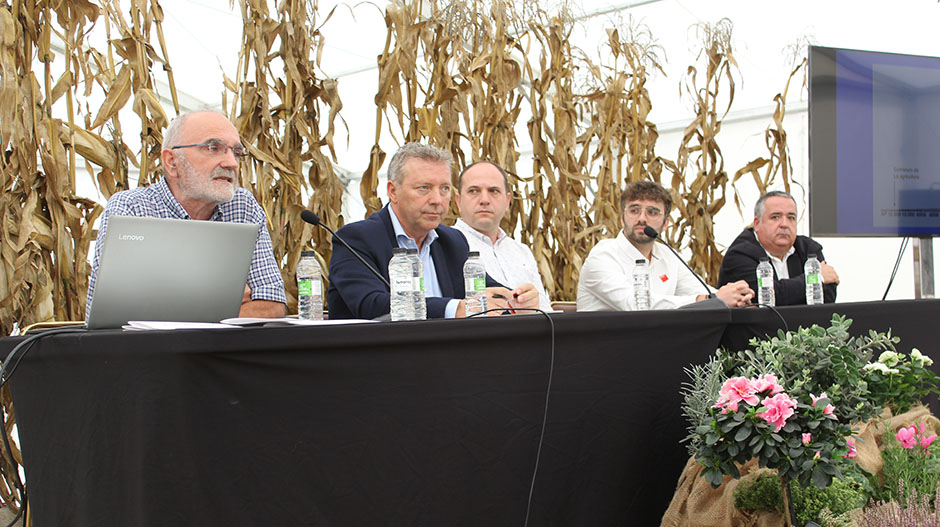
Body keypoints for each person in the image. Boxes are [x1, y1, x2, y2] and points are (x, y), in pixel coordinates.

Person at [86, 111, 287, 318]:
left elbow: (272, 305)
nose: (232, 163)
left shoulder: (243, 207)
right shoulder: (131, 209)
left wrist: (172, 305)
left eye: (236, 152)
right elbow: (113, 313)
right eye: (213, 148)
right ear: (172, 162)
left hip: (223, 350)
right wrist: (225, 305)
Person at [327, 143, 540, 319]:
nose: (437, 200)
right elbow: (371, 304)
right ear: (393, 191)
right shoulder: (355, 239)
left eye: (444, 189)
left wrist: (517, 298)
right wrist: (454, 308)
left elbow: (489, 293)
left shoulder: (452, 240)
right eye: (424, 188)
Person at [577, 180, 754, 311]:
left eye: (652, 212)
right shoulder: (603, 254)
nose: (642, 218)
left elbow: (700, 290)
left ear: (665, 223)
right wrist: (709, 299)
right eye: (634, 210)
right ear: (622, 219)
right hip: (605, 353)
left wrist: (736, 295)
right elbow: (637, 306)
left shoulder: (668, 255)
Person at [452, 161, 553, 312]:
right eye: (474, 191)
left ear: (507, 202)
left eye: (493, 191)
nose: (484, 200)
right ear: (458, 201)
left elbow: (546, 311)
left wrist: (533, 306)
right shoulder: (444, 245)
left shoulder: (521, 251)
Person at [718, 191, 838, 305]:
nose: (784, 224)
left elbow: (827, 296)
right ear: (757, 223)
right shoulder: (740, 254)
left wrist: (789, 293)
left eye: (791, 218)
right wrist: (816, 278)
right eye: (775, 217)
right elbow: (765, 298)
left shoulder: (808, 249)